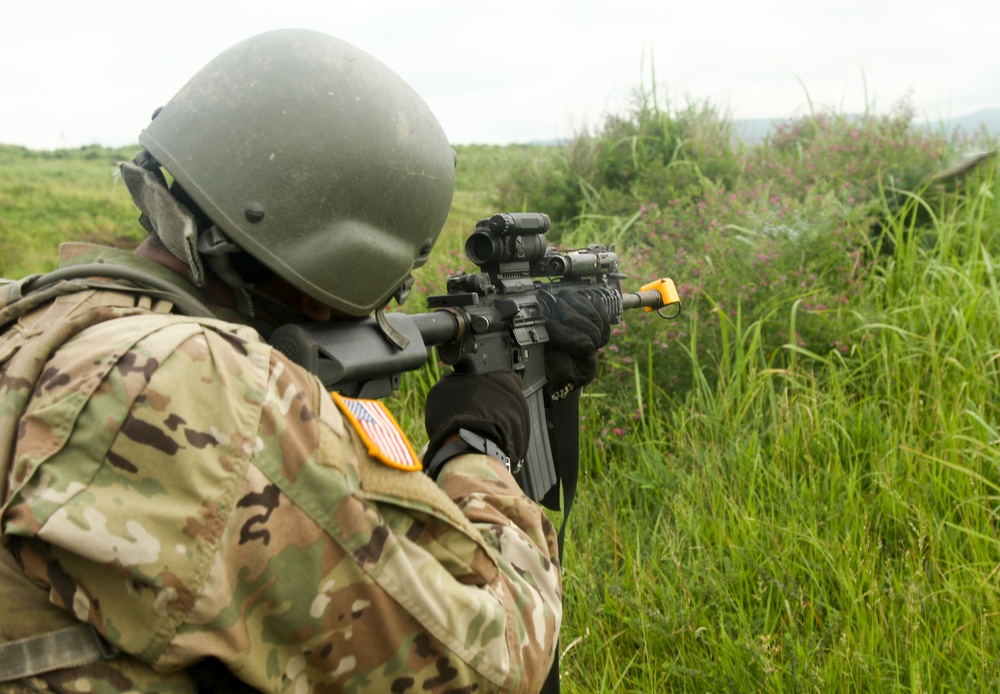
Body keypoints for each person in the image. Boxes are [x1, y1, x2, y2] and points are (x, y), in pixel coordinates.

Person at [0, 29, 606, 693]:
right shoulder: (196, 386)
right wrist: (480, 452)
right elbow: (495, 663)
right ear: (329, 275)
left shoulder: (37, 318)